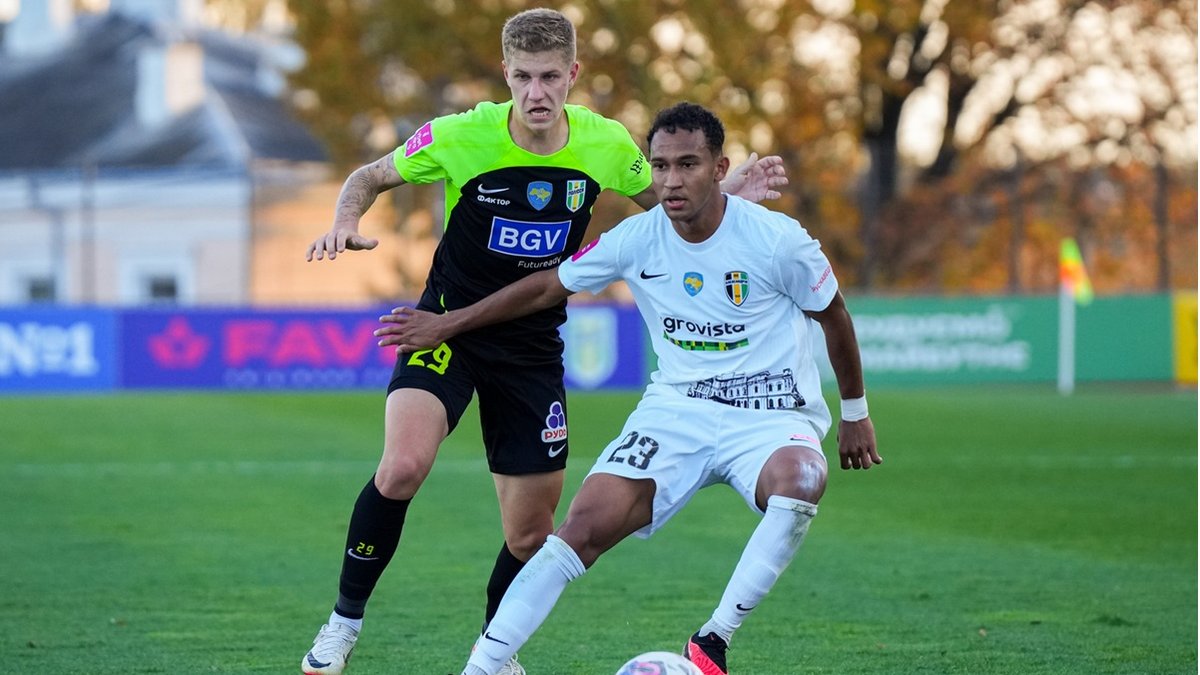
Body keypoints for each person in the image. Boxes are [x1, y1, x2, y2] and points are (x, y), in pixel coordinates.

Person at [300, 9, 788, 675]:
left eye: (551, 77)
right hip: (445, 327)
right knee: (403, 466)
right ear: (506, 74)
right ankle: (342, 623)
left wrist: (727, 193)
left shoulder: (605, 143)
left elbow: (673, 210)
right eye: (524, 77)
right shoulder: (461, 135)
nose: (537, 92)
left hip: (531, 348)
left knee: (531, 535)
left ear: (573, 75)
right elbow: (368, 177)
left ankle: (493, 651)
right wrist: (343, 220)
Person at [376, 102, 882, 675]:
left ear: (720, 169)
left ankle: (713, 638)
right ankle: (483, 668)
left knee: (801, 481)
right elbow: (545, 287)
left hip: (769, 413)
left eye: (688, 164)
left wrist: (855, 413)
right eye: (660, 166)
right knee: (579, 530)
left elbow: (834, 315)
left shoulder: (776, 240)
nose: (671, 180)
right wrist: (448, 323)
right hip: (676, 411)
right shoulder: (636, 238)